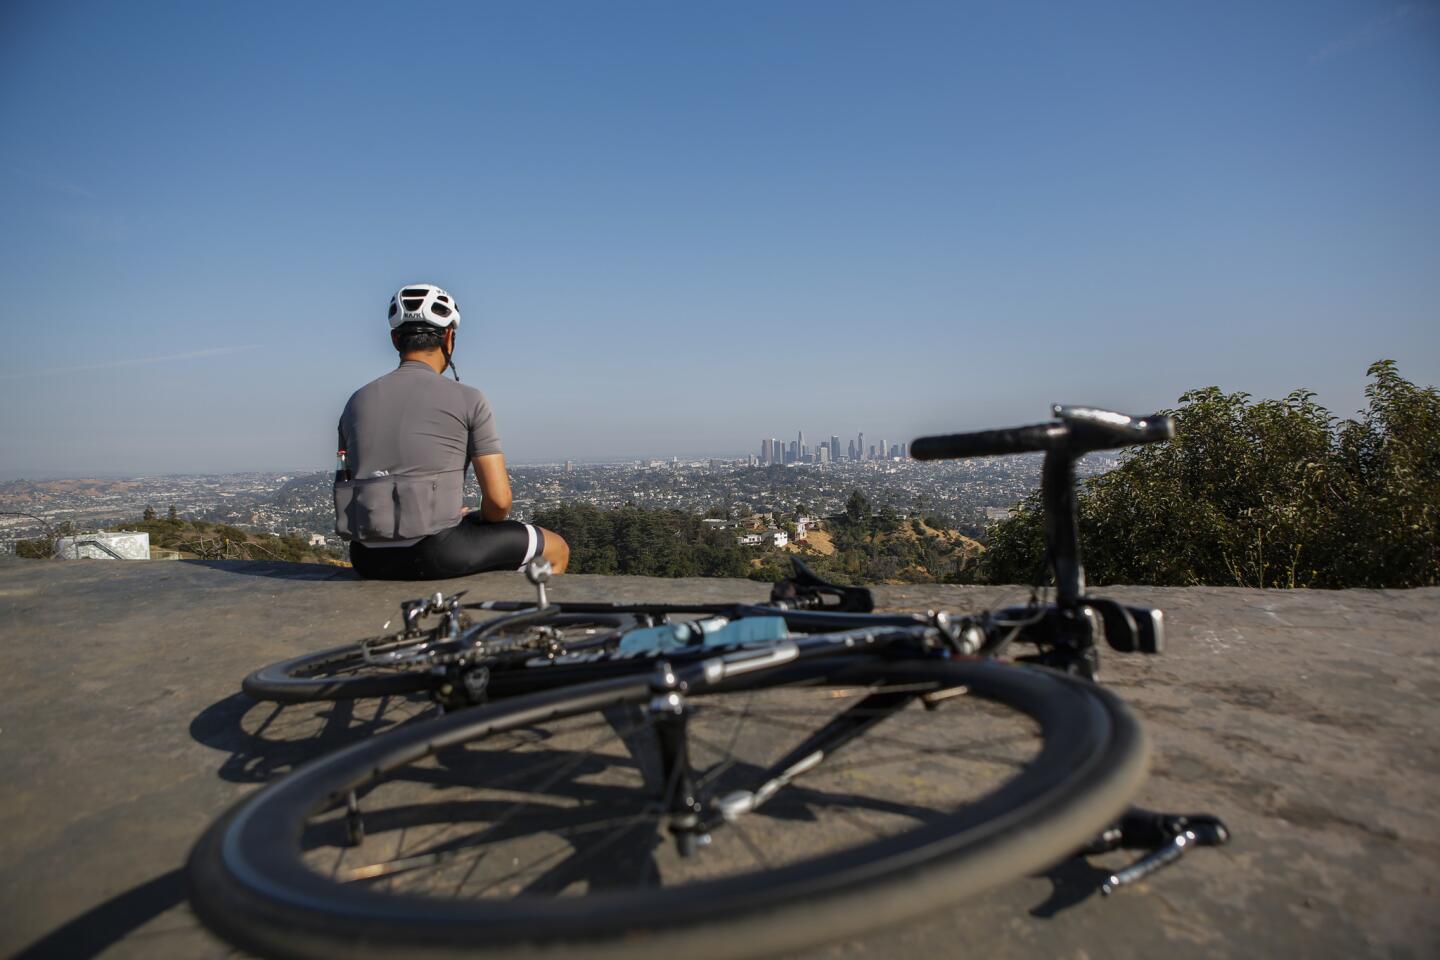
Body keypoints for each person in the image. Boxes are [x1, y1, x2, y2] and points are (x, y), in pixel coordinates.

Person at [334, 283, 569, 580]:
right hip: (436, 553)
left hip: (366, 557)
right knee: (556, 549)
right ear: (449, 336)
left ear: (395, 340)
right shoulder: (468, 398)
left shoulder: (355, 402)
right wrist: (471, 518)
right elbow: (499, 503)